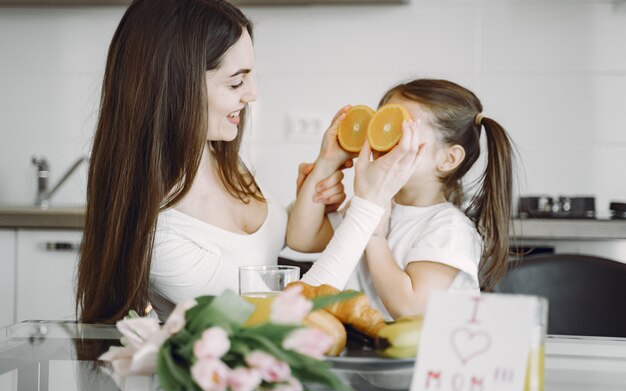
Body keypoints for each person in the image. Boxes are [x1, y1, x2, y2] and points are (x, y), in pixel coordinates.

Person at [76, 0, 420, 324]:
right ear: (174, 87)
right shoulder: (159, 234)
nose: (252, 93)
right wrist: (369, 204)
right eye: (236, 81)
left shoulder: (216, 156)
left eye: (251, 76)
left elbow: (278, 250)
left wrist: (323, 172)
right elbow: (282, 321)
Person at [288, 79, 515, 320]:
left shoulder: (450, 228)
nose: (385, 137)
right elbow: (301, 238)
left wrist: (375, 235)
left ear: (448, 159)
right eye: (384, 122)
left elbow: (410, 309)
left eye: (403, 129)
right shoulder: (374, 203)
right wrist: (327, 161)